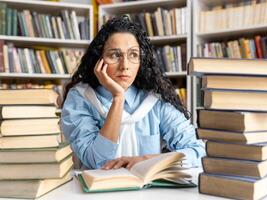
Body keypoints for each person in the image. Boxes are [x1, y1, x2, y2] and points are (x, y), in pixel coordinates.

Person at [61, 15, 205, 170]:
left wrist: (147, 159)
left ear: (141, 61)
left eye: (133, 55)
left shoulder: (155, 101)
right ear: (99, 59)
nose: (125, 66)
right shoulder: (80, 98)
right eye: (115, 55)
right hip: (97, 192)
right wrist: (118, 98)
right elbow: (97, 161)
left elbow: (198, 151)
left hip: (148, 193)